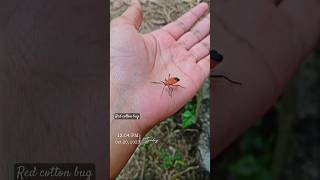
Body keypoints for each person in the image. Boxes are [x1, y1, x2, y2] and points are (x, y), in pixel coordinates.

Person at [110, 0, 210, 178]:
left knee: (172, 84)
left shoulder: (168, 82)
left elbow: (171, 83)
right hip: (171, 80)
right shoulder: (166, 83)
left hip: (173, 80)